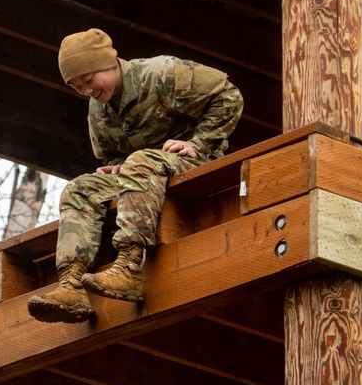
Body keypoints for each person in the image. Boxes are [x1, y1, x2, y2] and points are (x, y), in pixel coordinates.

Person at [28, 29, 243, 323]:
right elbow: (112, 154)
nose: (88, 92)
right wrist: (115, 165)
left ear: (108, 62)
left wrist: (198, 143)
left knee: (139, 161)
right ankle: (71, 285)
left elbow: (228, 96)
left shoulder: (160, 74)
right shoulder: (98, 109)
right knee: (80, 188)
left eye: (89, 81)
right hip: (141, 172)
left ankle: (129, 266)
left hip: (195, 164)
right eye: (78, 87)